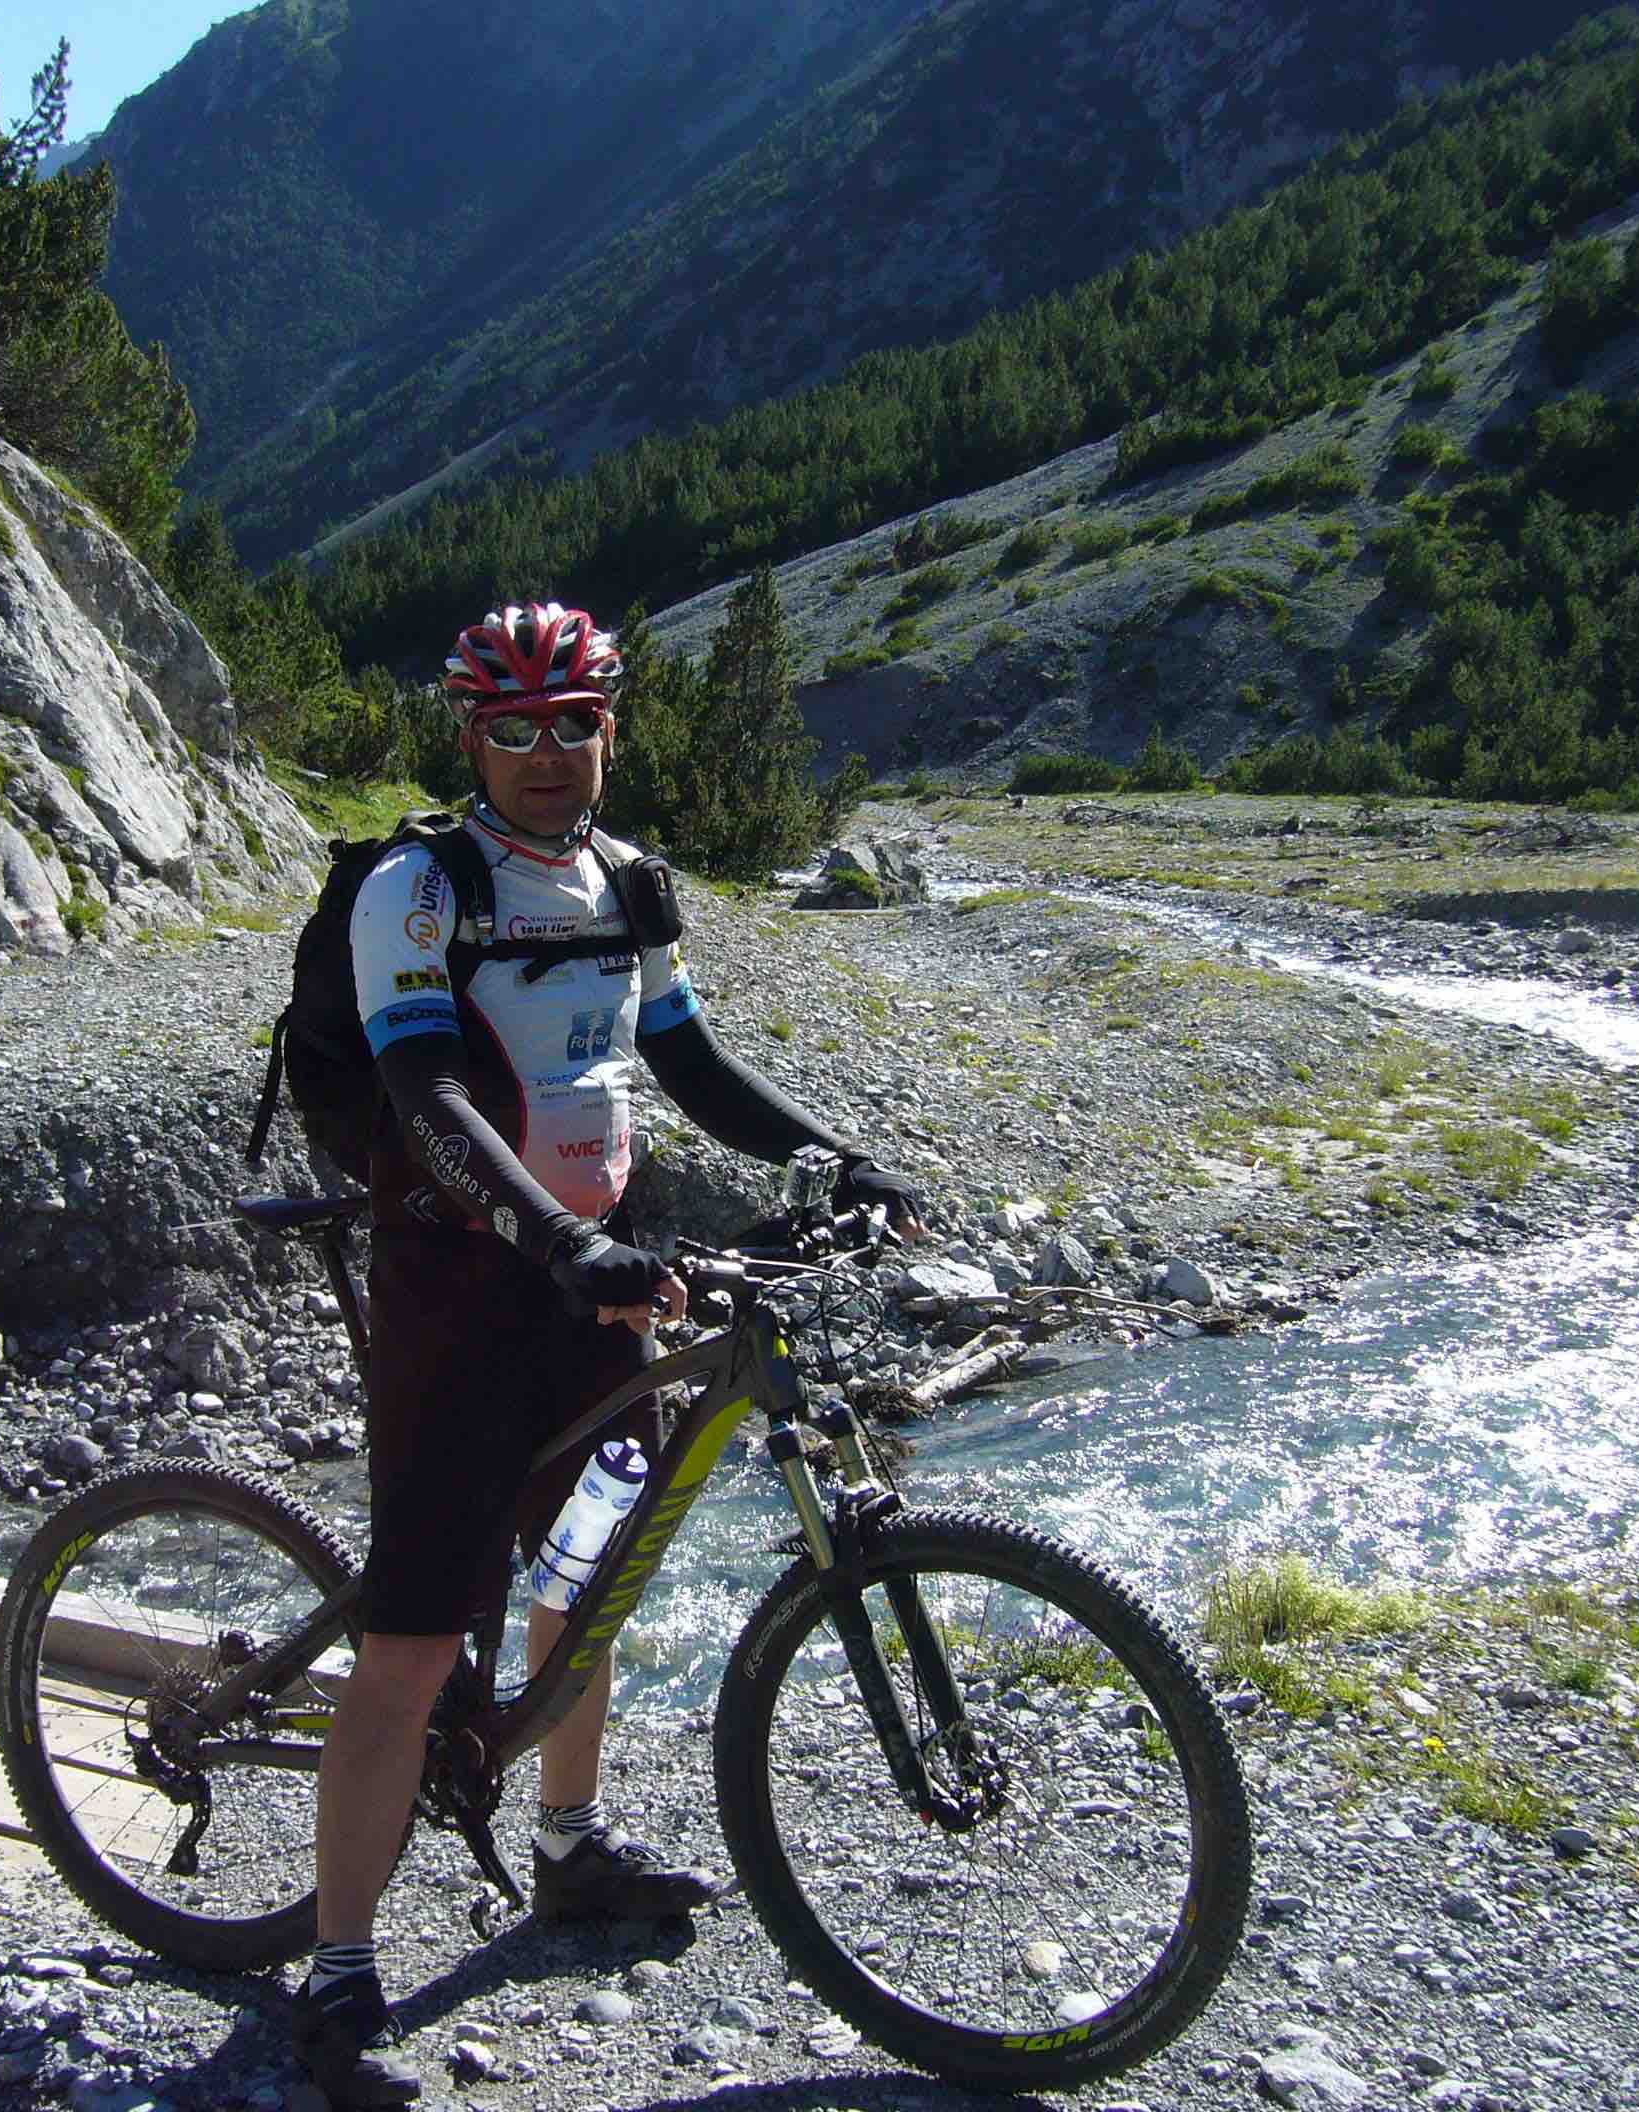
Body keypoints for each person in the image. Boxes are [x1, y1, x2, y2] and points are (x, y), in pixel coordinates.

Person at [297, 601, 930, 2105]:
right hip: (463, 1293)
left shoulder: (628, 881)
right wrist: (553, 1240)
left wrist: (835, 1157)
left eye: (571, 725)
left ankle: (569, 1848)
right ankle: (334, 1972)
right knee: (414, 1637)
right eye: (512, 729)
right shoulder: (418, 888)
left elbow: (688, 1060)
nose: (545, 753)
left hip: (595, 1285)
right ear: (473, 743)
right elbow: (427, 1090)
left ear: (608, 732)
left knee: (586, 1575)